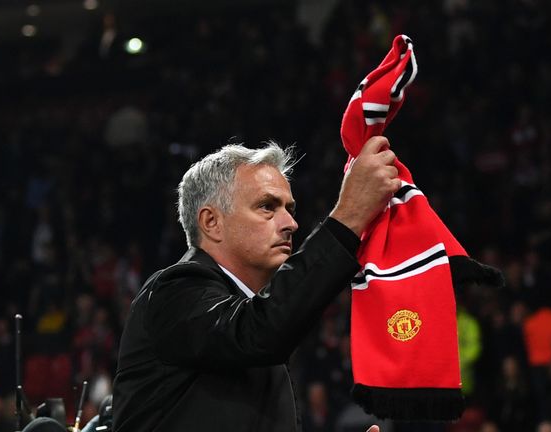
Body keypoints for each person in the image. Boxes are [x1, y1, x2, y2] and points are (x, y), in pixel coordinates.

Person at [112, 137, 399, 431]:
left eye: (290, 209)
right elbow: (259, 331)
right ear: (211, 222)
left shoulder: (253, 324)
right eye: (267, 207)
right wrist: (348, 217)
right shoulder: (173, 291)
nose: (290, 223)